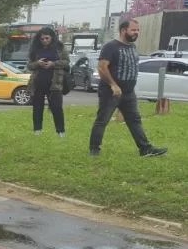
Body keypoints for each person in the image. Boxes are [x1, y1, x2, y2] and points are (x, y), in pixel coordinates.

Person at [88, 19, 167, 158]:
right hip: (111, 92)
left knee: (134, 120)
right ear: (123, 30)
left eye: (138, 30)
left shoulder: (132, 46)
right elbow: (102, 67)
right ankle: (94, 149)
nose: (136, 33)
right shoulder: (110, 46)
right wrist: (113, 84)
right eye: (133, 30)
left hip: (129, 92)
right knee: (102, 120)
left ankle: (145, 149)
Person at [25, 27, 69, 137]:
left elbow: (66, 62)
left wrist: (53, 64)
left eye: (47, 38)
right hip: (38, 83)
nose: (44, 40)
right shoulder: (36, 49)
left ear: (52, 37)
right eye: (42, 39)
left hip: (55, 83)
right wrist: (37, 63)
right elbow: (29, 65)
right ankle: (37, 130)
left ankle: (61, 132)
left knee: (57, 107)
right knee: (37, 108)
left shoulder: (59, 47)